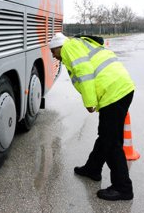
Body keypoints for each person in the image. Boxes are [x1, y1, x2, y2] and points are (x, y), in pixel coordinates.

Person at [49, 32, 135, 201]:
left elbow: (84, 71)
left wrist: (89, 102)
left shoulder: (68, 47)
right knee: (107, 137)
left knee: (111, 143)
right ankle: (92, 168)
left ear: (59, 46)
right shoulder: (78, 44)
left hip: (113, 92)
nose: (53, 55)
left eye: (53, 51)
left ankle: (123, 188)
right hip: (122, 87)